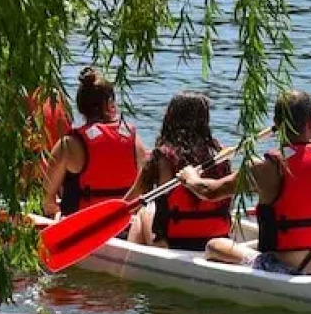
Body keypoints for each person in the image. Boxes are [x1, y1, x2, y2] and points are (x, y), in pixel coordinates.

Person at [178, 85, 311, 275]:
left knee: (215, 246)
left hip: (286, 269)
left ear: (276, 125)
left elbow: (210, 191)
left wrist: (190, 177)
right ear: (310, 123)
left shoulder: (264, 168)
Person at [122, 91, 233, 250]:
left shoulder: (162, 156)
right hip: (218, 238)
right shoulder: (222, 154)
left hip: (173, 242)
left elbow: (134, 198)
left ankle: (130, 263)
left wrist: (106, 220)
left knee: (144, 211)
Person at [41, 67, 148, 218]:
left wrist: (55, 212)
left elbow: (47, 199)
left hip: (81, 227)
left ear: (81, 107)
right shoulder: (134, 140)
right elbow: (146, 182)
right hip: (124, 225)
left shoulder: (68, 145)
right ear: (110, 105)